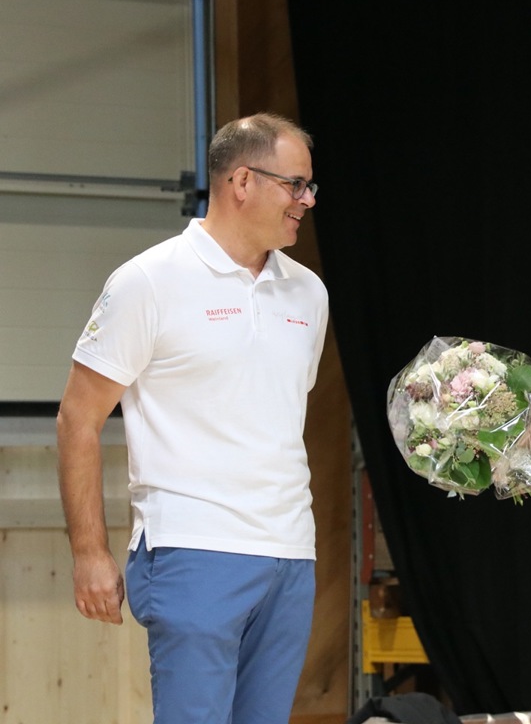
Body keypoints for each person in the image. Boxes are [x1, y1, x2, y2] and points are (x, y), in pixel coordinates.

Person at [56, 112, 329, 724]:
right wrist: (89, 552)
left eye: (309, 186)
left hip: (290, 553)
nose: (307, 200)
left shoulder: (309, 293)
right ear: (241, 181)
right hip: (193, 548)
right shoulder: (148, 281)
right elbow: (77, 418)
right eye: (295, 184)